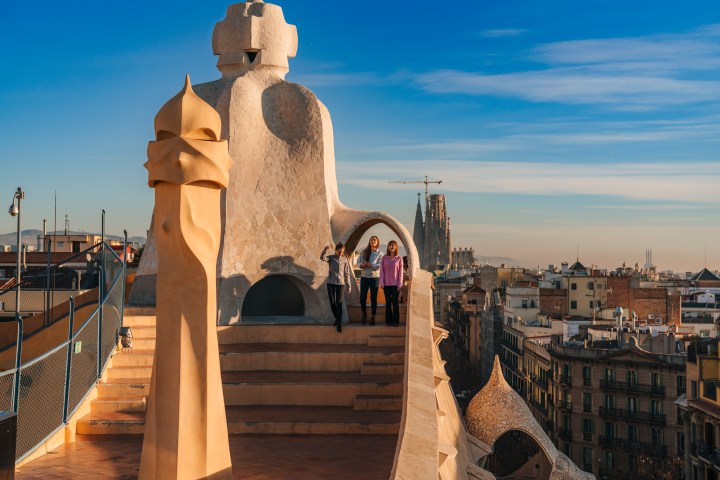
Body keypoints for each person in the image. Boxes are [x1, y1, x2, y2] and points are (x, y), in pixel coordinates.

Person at [321, 242, 352, 332]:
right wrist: (324, 251)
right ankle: (337, 319)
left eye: (342, 252)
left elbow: (347, 273)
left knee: (339, 303)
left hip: (341, 284)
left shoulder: (345, 260)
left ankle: (338, 323)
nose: (340, 253)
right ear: (336, 251)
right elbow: (322, 258)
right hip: (331, 282)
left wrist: (348, 285)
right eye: (339, 252)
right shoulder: (331, 258)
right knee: (332, 303)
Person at [356, 235, 383, 325]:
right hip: (364, 277)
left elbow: (379, 265)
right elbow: (358, 262)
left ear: (377, 242)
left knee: (373, 298)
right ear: (369, 241)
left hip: (374, 278)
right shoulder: (364, 252)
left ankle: (373, 316)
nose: (372, 241)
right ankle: (364, 313)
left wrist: (370, 264)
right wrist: (361, 265)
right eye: (371, 240)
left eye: (374, 240)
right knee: (362, 297)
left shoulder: (380, 254)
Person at [379, 240, 403, 326]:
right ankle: (388, 321)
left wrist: (400, 285)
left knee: (395, 303)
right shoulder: (384, 258)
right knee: (388, 303)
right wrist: (381, 283)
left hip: (395, 285)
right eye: (390, 245)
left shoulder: (399, 258)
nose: (391, 247)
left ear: (396, 247)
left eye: (393, 245)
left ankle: (395, 321)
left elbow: (401, 272)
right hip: (386, 285)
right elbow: (381, 271)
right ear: (388, 247)